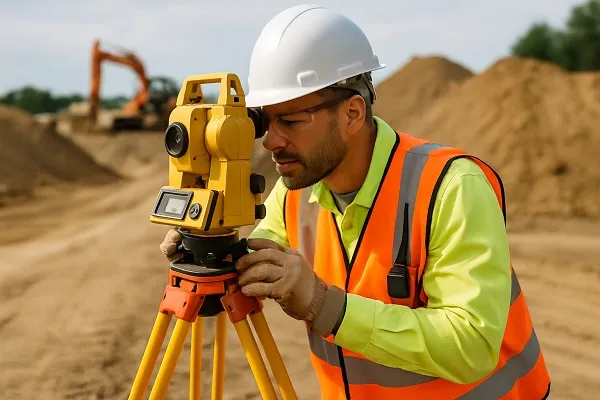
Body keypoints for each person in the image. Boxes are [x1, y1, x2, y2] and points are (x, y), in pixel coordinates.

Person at [160, 4, 551, 399]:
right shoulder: (295, 193)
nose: (270, 141)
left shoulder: (451, 186)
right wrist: (211, 244)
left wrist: (325, 305)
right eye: (265, 120)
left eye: (290, 121)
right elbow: (258, 259)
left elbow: (473, 347)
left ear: (351, 113)